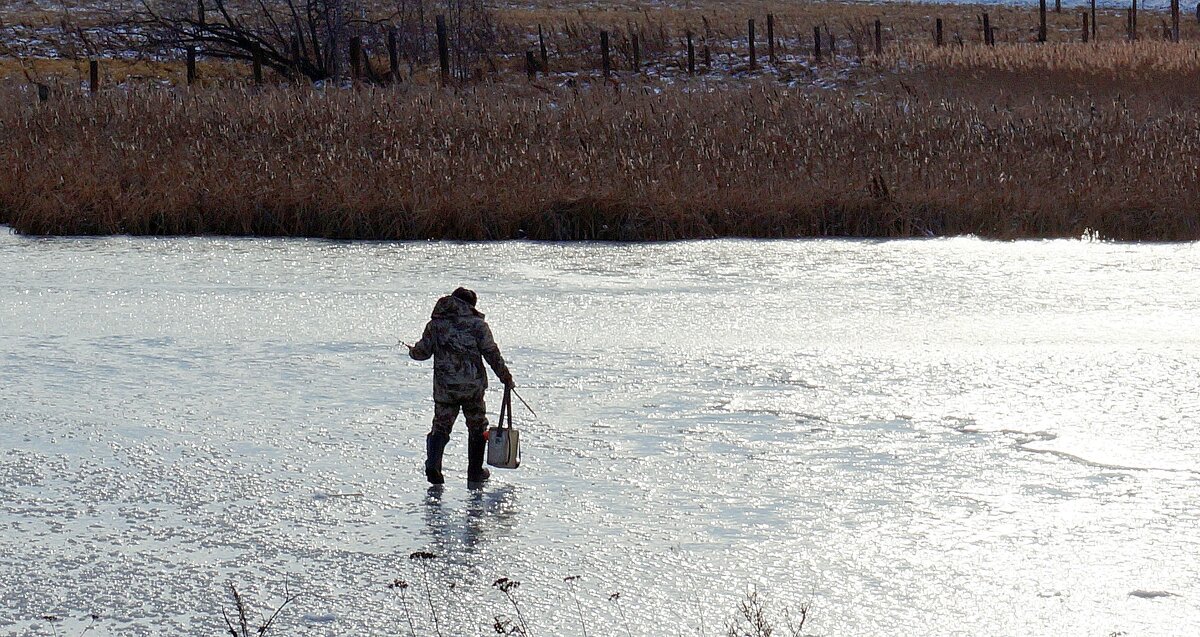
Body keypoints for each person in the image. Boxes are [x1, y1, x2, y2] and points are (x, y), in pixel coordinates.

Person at [408, 287, 514, 485]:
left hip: (445, 389)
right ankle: (475, 472)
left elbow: (422, 353)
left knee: (441, 426)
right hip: (472, 388)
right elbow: (491, 353)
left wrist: (412, 351)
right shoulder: (478, 325)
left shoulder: (436, 325)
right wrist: (505, 376)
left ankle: (433, 466)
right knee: (477, 426)